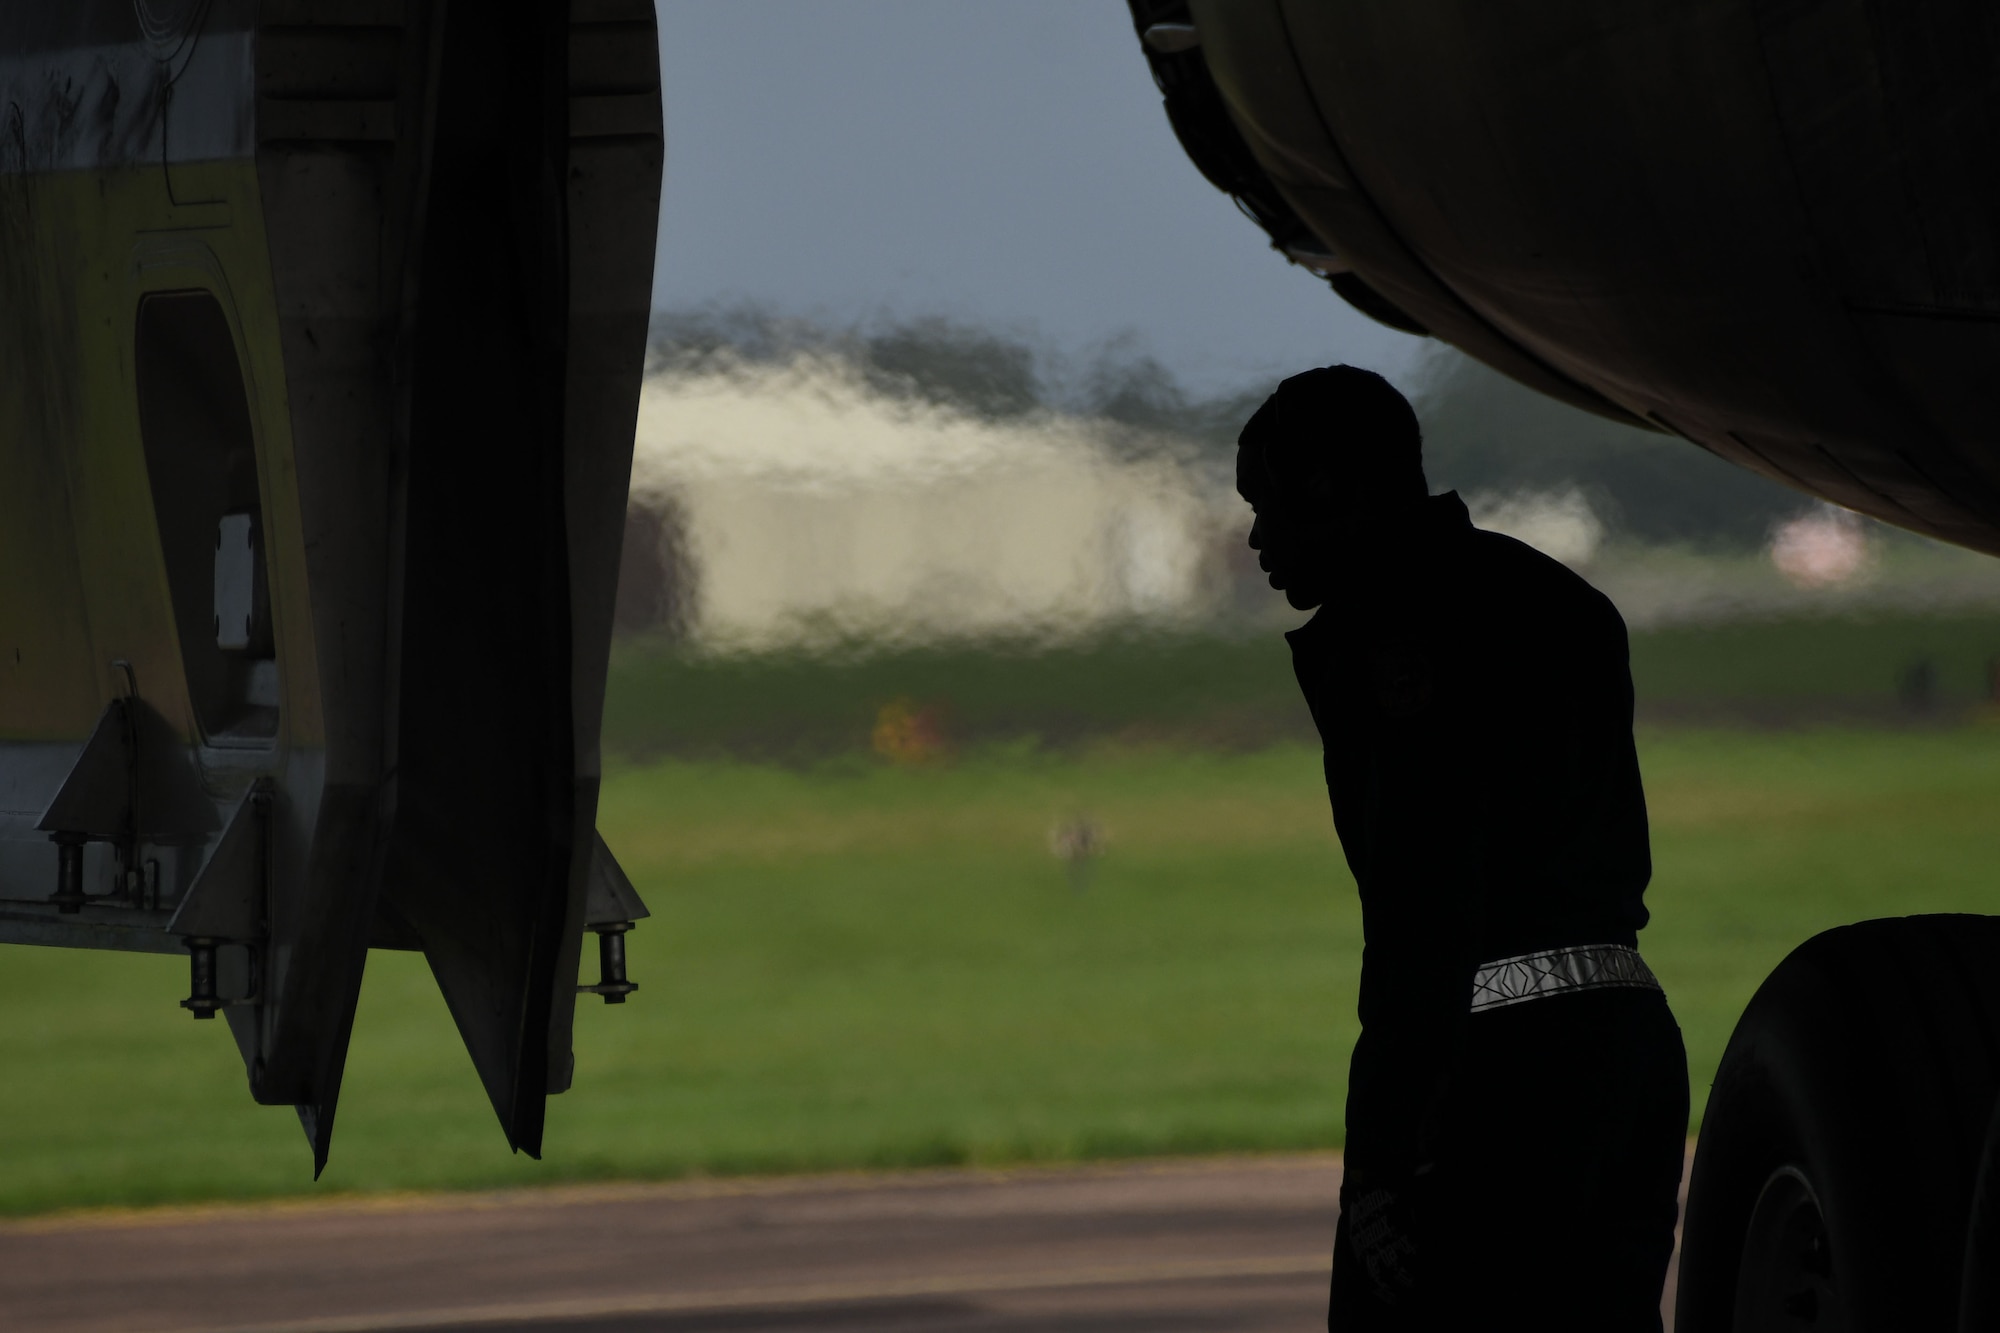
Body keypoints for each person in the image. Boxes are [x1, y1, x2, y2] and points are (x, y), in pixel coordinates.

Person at [1235, 366, 1689, 1329]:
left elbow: (1426, 907)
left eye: (1269, 502)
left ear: (1334, 489)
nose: (1256, 539)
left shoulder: (1400, 632)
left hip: (1497, 1083)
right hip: (1629, 1048)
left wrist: (1380, 1166)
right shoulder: (1564, 600)